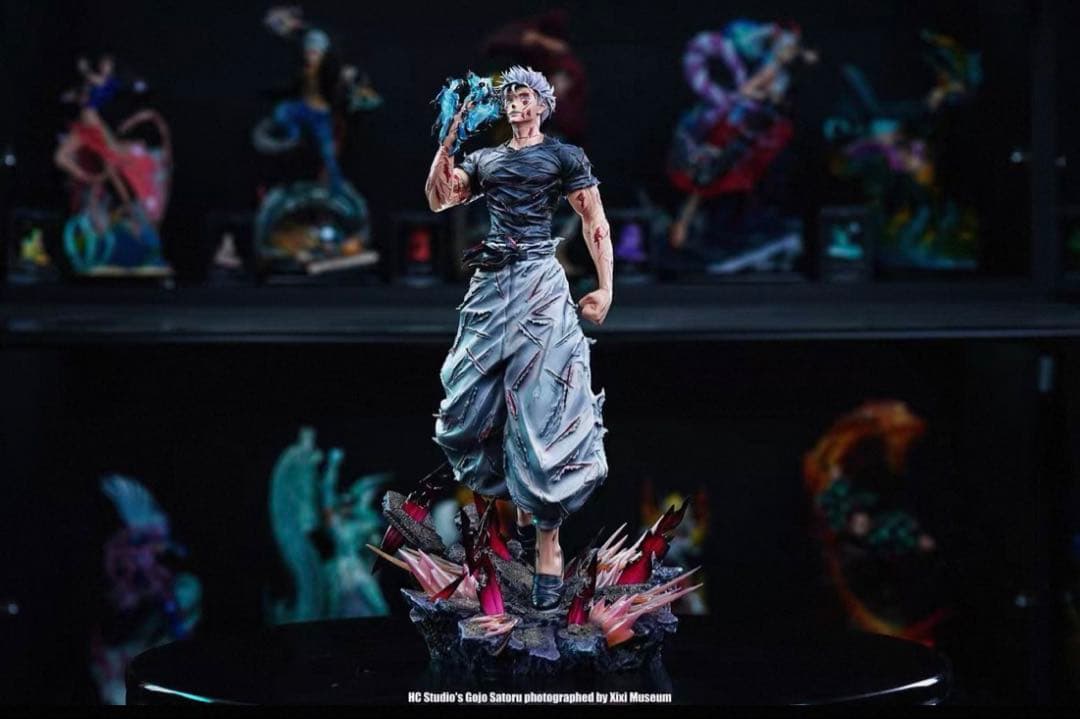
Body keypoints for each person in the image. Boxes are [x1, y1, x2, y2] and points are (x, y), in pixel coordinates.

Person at [424, 66, 612, 610]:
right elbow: (441, 198)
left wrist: (605, 287)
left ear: (542, 104)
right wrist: (449, 140)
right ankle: (523, 500)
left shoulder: (563, 156)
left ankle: (548, 541)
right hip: (490, 286)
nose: (514, 103)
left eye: (524, 95)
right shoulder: (487, 159)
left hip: (538, 284)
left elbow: (595, 219)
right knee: (461, 413)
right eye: (509, 96)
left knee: (542, 409)